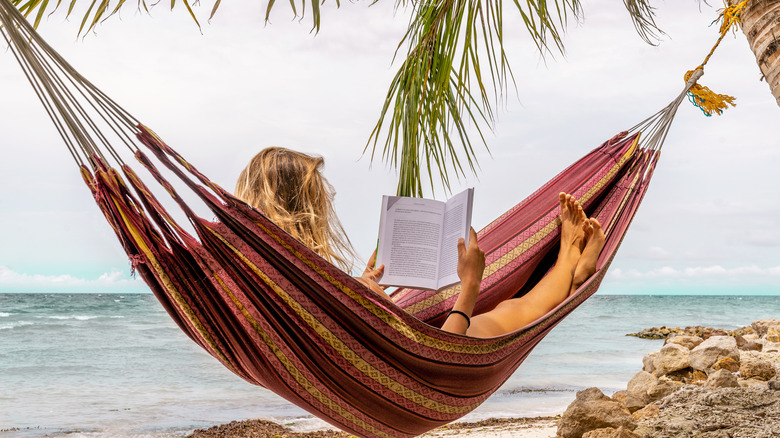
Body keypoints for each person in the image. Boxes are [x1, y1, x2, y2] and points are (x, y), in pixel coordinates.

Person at [235, 147, 605, 338]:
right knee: (512, 311)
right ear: (298, 205)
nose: (328, 202)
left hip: (396, 352)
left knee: (510, 309)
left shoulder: (275, 270)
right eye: (319, 195)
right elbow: (445, 356)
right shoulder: (301, 275)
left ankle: (573, 271)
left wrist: (363, 287)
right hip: (419, 362)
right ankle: (571, 259)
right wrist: (471, 285)